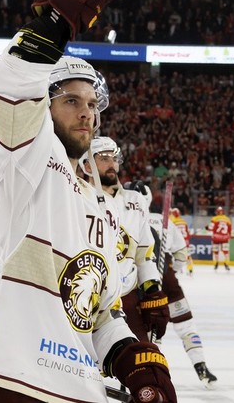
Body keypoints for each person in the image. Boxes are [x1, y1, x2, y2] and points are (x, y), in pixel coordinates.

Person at [0, 0, 176, 402]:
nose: (86, 112)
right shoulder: (27, 155)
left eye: (92, 104)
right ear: (44, 106)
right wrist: (56, 21)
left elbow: (95, 310)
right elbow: (11, 82)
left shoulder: (99, 202)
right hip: (5, 374)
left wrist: (133, 361)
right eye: (71, 101)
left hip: (73, 385)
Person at [86, 137, 169, 345]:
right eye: (104, 158)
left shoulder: (135, 201)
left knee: (145, 365)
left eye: (115, 158)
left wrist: (152, 291)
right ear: (86, 164)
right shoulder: (76, 196)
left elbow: (144, 254)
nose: (112, 164)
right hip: (88, 298)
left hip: (127, 297)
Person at [147, 198, 219, 388]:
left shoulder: (135, 219)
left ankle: (150, 370)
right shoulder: (168, 224)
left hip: (144, 281)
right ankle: (201, 367)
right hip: (168, 279)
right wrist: (172, 272)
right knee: (186, 326)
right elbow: (180, 256)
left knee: (152, 330)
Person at [169, 207, 194, 275]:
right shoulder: (184, 221)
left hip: (177, 242)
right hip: (186, 241)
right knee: (188, 256)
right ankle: (190, 269)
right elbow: (187, 233)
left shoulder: (172, 222)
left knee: (174, 256)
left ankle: (176, 270)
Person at [208, 206, 231, 270]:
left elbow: (210, 228)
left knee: (216, 251)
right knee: (226, 251)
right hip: (225, 237)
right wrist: (229, 236)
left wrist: (207, 228)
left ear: (217, 212)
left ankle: (216, 263)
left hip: (216, 237)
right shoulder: (227, 219)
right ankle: (226, 263)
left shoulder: (214, 218)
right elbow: (229, 229)